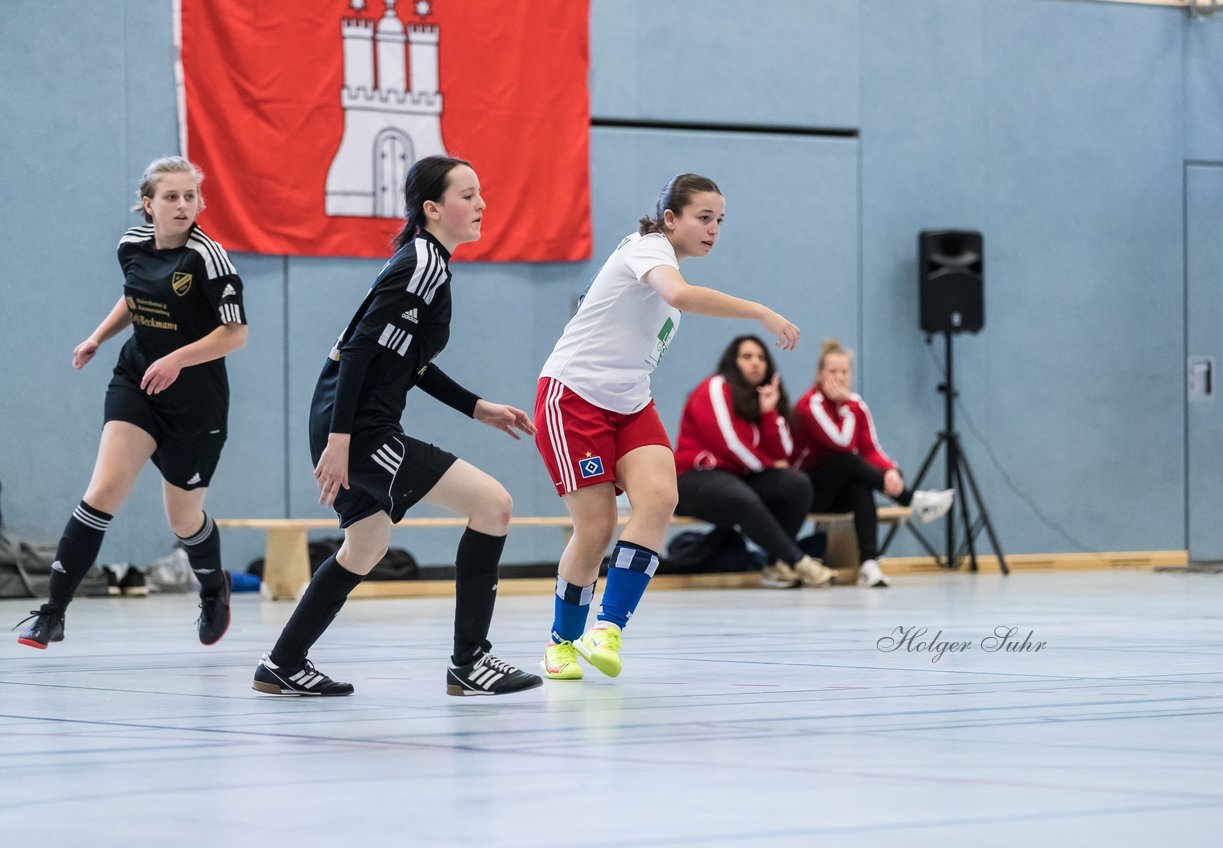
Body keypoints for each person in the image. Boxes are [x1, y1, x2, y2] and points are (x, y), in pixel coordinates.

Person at [252, 155, 541, 698]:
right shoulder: (422, 266)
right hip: (357, 429)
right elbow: (360, 348)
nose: (481, 204)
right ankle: (470, 663)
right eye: (467, 195)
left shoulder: (426, 263)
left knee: (365, 546)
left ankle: (283, 663)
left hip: (344, 420)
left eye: (482, 194)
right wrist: (340, 444)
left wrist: (477, 407)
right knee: (493, 505)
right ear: (432, 209)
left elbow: (407, 360)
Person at [534, 173, 800, 681]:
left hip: (631, 403)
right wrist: (761, 312)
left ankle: (606, 629)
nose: (714, 229)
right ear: (670, 219)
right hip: (574, 398)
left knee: (659, 500)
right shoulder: (647, 248)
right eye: (704, 218)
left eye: (720, 220)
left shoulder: (664, 267)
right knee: (596, 530)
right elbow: (678, 296)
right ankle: (561, 641)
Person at [15, 156, 246, 649]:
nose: (183, 205)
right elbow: (135, 297)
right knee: (102, 492)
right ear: (149, 205)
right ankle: (52, 613)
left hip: (195, 401)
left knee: (183, 520)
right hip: (137, 379)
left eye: (190, 196)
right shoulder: (131, 246)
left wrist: (179, 360)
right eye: (171, 197)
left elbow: (235, 334)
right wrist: (98, 336)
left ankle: (213, 590)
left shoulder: (210, 259)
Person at [672, 335, 836, 589]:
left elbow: (785, 452)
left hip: (737, 478)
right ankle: (797, 559)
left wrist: (770, 413)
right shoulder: (716, 387)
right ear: (733, 362)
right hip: (693, 479)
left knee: (797, 484)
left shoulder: (763, 397)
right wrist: (768, 465)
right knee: (741, 496)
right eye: (747, 357)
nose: (756, 363)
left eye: (761, 357)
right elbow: (730, 442)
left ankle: (775, 565)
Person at [792, 339, 954, 587]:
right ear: (819, 374)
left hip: (837, 488)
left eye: (844, 372)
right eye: (832, 372)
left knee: (860, 485)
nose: (839, 377)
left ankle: (869, 564)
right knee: (848, 462)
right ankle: (913, 501)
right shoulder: (810, 406)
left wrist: (889, 470)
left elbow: (870, 448)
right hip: (806, 491)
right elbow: (844, 443)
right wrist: (848, 406)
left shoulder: (854, 404)